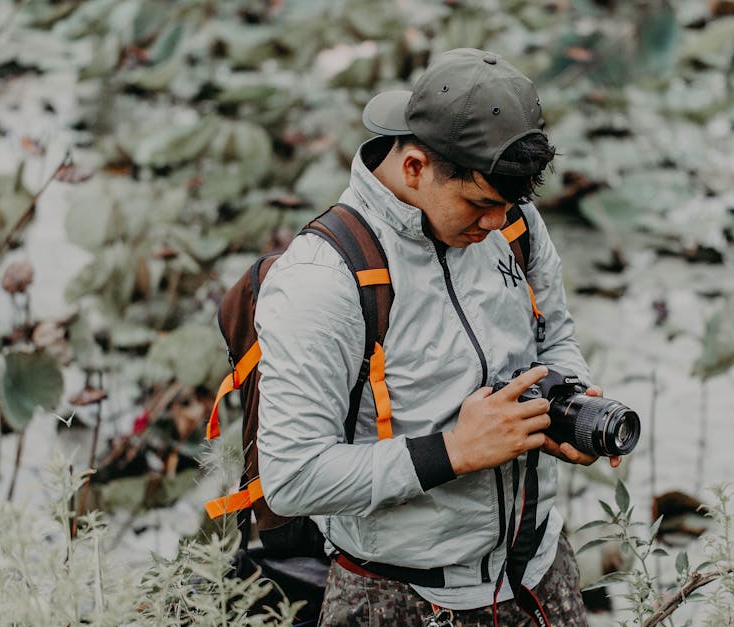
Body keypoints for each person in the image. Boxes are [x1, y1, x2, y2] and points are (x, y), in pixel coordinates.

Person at [254, 47, 619, 626]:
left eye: (510, 205)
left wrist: (564, 402)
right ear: (416, 167)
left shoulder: (512, 221)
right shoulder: (324, 279)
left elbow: (555, 340)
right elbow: (293, 478)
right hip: (397, 598)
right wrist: (454, 452)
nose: (497, 224)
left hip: (541, 574)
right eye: (479, 204)